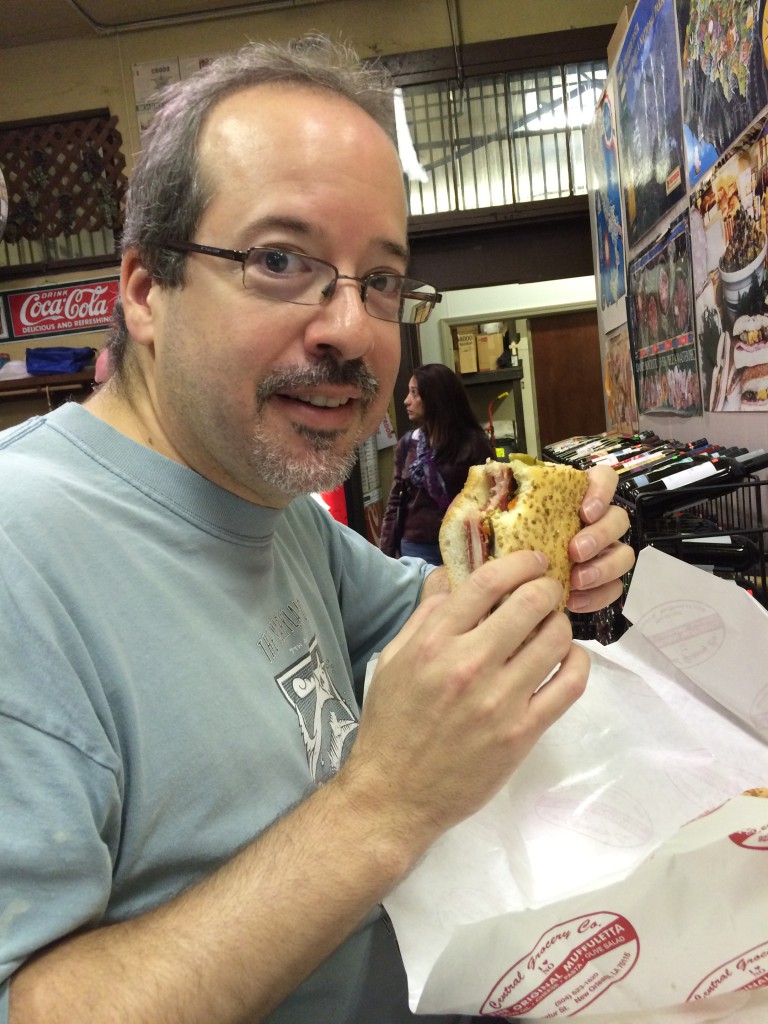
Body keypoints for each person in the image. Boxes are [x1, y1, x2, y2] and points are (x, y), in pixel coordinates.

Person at [0, 35, 633, 1024]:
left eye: (381, 280)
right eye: (280, 259)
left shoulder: (271, 509)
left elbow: (431, 606)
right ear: (143, 291)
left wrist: (550, 565)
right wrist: (385, 802)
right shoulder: (19, 555)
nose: (351, 328)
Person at [380, 363, 492, 563]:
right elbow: (396, 501)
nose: (406, 401)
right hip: (415, 547)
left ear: (436, 397)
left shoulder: (473, 444)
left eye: (414, 393)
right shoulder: (408, 443)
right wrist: (385, 555)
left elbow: (489, 498)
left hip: (461, 543)